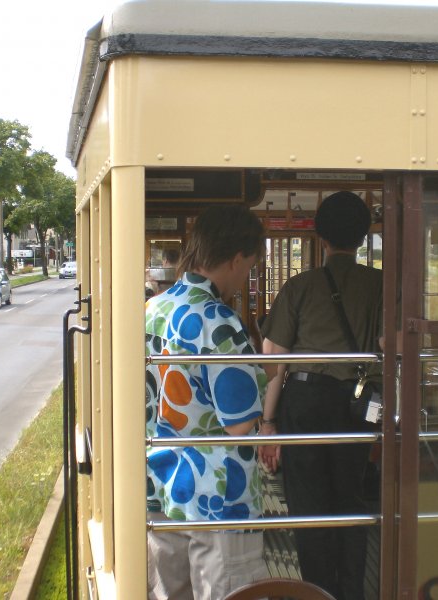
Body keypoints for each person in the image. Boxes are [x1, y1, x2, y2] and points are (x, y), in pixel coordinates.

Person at [259, 191, 383, 600]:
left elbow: (274, 359)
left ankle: (317, 592)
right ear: (364, 237)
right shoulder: (380, 285)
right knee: (352, 500)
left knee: (310, 507)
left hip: (305, 402)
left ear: (320, 236)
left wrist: (268, 422)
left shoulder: (301, 286)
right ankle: (352, 592)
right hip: (358, 404)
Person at [145, 205, 271, 600]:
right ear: (236, 260)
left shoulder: (154, 309)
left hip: (162, 483)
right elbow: (238, 423)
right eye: (249, 267)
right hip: (220, 497)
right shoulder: (219, 321)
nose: (245, 277)